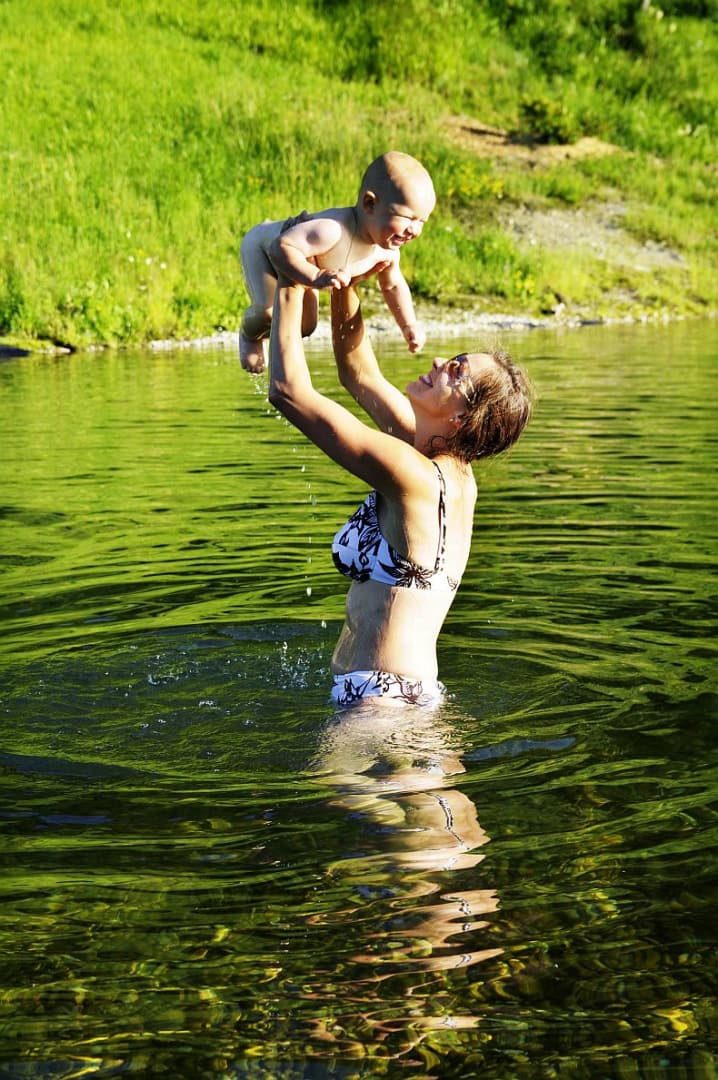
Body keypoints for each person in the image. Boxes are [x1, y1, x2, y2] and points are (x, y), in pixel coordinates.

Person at [267, 274, 533, 709]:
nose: (439, 361)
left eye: (456, 372)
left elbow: (288, 393)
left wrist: (289, 278)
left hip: (377, 702)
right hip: (405, 696)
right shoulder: (446, 470)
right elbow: (357, 371)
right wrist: (345, 276)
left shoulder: (414, 476)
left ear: (463, 419)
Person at [239, 151, 435, 373]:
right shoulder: (332, 230)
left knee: (306, 326)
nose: (414, 230)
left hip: (304, 264)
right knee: (267, 312)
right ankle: (249, 336)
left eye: (422, 221)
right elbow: (280, 247)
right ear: (370, 204)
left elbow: (392, 285)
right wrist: (316, 276)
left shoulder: (388, 250)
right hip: (263, 248)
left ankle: (266, 335)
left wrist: (409, 324)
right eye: (408, 218)